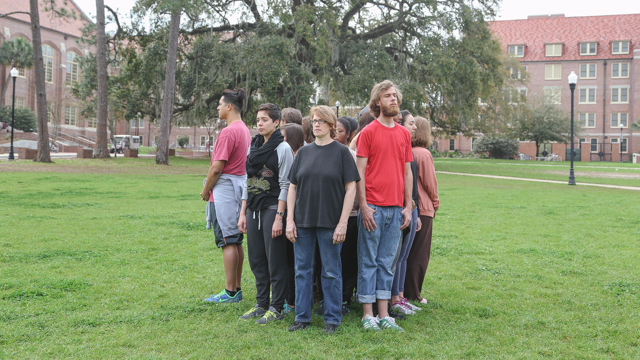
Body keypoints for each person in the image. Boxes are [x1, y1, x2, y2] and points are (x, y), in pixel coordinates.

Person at [286, 105, 359, 334]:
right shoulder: (303, 153)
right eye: (314, 120)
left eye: (320, 121)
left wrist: (343, 222)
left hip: (331, 223)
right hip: (303, 222)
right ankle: (302, 317)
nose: (315, 124)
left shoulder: (342, 152)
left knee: (330, 271)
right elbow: (292, 187)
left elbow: (351, 190)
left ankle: (332, 318)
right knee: (302, 270)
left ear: (330, 125)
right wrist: (289, 219)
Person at [355, 80, 413, 332]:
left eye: (395, 96)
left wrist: (408, 206)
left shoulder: (404, 134)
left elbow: (407, 173)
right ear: (377, 102)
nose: (393, 99)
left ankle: (383, 313)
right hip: (373, 209)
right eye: (387, 96)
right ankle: (368, 315)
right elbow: (359, 172)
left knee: (387, 262)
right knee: (368, 261)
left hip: (395, 209)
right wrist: (364, 206)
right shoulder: (368, 132)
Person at [237, 103, 294, 324]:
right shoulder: (254, 146)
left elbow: (286, 184)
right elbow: (247, 180)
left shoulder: (283, 148)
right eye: (258, 119)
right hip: (253, 209)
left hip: (272, 209)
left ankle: (277, 306)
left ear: (277, 122)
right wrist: (243, 212)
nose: (260, 123)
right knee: (257, 259)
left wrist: (280, 217)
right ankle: (261, 304)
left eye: (265, 120)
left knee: (275, 260)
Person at [201, 89, 251, 303]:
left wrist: (206, 190)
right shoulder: (245, 129)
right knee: (235, 240)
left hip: (225, 191)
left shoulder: (228, 132)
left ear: (229, 107)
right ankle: (236, 289)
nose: (218, 108)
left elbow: (216, 168)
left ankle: (230, 292)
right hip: (238, 188)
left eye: (220, 104)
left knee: (227, 240)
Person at [390, 110, 423, 315]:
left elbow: (413, 187)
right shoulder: (398, 148)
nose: (414, 127)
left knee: (403, 257)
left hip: (412, 206)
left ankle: (400, 296)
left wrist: (415, 209)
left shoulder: (408, 149)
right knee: (396, 256)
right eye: (409, 123)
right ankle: (394, 298)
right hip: (402, 207)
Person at [404, 116, 439, 304]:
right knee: (419, 254)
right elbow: (430, 183)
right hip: (423, 208)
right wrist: (436, 202)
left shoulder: (406, 150)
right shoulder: (423, 154)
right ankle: (414, 293)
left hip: (408, 206)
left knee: (406, 254)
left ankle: (404, 291)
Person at [336, 116, 359, 312]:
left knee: (347, 259)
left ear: (349, 134)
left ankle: (345, 298)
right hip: (328, 216)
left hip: (349, 216)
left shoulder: (350, 156)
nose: (336, 135)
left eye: (340, 131)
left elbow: (355, 189)